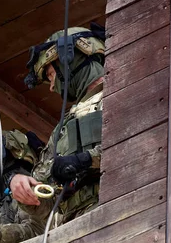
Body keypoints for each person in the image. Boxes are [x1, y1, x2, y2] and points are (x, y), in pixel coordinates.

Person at [10, 24, 105, 223]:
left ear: (69, 59)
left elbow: (134, 148)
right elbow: (46, 206)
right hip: (71, 230)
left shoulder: (120, 95)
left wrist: (85, 160)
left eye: (52, 75)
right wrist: (22, 188)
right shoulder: (61, 130)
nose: (52, 87)